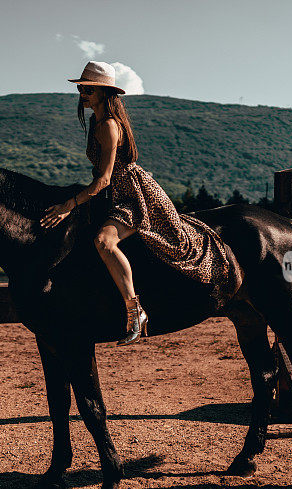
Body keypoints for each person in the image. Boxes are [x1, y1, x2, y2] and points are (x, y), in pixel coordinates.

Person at [40, 61, 237, 346]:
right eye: (81, 87)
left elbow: (104, 179)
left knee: (104, 241)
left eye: (89, 88)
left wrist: (69, 204)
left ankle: (135, 312)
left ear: (105, 92)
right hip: (120, 194)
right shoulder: (97, 120)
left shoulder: (108, 125)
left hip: (135, 196)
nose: (83, 92)